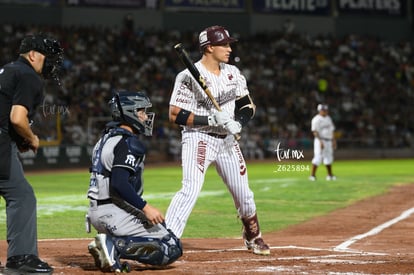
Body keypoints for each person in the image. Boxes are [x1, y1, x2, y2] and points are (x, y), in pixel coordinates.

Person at [165, 25, 270, 255]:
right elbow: (175, 114)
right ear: (209, 47)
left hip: (227, 140)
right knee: (191, 188)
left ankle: (253, 235)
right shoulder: (187, 76)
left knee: (244, 193)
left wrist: (239, 122)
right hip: (199, 138)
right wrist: (211, 118)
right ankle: (168, 238)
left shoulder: (233, 73)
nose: (229, 48)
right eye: (224, 44)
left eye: (229, 44)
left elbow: (248, 105)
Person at [86, 91, 183, 272]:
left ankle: (110, 245)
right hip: (113, 211)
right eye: (142, 111)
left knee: (160, 228)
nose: (145, 116)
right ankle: (114, 245)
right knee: (171, 247)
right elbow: (119, 183)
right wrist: (146, 208)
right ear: (130, 113)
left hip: (96, 211)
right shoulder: (127, 142)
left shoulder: (104, 139)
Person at [0, 33, 63, 274]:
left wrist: (18, 138)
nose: (51, 63)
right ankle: (21, 259)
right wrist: (31, 137)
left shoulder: (7, 70)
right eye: (48, 57)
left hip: (4, 139)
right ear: (34, 55)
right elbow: (17, 118)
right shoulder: (28, 75)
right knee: (22, 196)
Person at [309, 104, 337, 181]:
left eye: (326, 110)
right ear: (320, 111)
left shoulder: (328, 118)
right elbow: (314, 131)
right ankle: (312, 175)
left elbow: (332, 130)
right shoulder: (316, 119)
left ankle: (330, 175)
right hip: (320, 140)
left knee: (328, 157)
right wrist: (320, 141)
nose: (325, 111)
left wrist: (333, 140)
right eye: (323, 110)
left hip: (329, 140)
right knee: (318, 157)